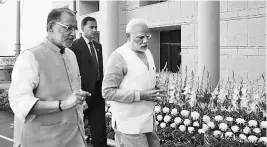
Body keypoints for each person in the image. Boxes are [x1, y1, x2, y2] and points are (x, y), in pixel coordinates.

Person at [8, 8, 90, 147]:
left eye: (75, 28)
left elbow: (73, 92)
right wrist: (63, 104)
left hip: (75, 137)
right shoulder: (30, 57)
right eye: (68, 28)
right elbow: (21, 103)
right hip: (44, 140)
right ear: (50, 27)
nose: (73, 34)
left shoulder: (71, 55)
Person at [102, 18, 166, 147]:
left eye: (148, 36)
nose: (146, 41)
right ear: (128, 36)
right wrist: (141, 95)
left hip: (148, 121)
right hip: (129, 125)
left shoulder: (147, 52)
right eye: (140, 37)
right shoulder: (118, 57)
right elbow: (107, 92)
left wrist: (157, 85)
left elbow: (143, 75)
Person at [70, 16, 107, 147]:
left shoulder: (98, 46)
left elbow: (100, 70)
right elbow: (73, 73)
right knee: (75, 129)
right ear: (82, 28)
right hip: (82, 94)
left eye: (96, 27)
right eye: (91, 27)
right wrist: (80, 96)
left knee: (100, 129)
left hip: (97, 94)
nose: (94, 30)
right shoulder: (74, 46)